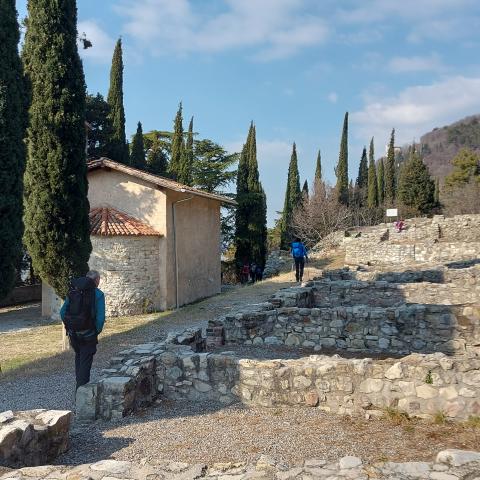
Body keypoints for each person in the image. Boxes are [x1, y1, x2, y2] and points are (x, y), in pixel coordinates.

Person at [60, 270, 105, 390]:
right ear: (96, 280)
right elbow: (100, 318)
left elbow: (62, 312)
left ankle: (79, 383)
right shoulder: (98, 294)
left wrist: (70, 327)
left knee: (79, 357)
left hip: (73, 334)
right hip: (88, 334)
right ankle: (81, 391)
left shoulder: (74, 291)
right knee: (85, 361)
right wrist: (96, 331)